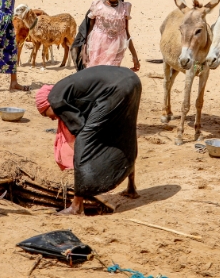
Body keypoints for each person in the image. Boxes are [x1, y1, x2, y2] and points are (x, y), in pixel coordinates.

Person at [35, 65, 142, 215]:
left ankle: (77, 206)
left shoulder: (55, 99)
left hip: (116, 88)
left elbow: (80, 133)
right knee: (124, 130)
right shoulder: (67, 92)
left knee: (84, 140)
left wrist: (81, 158)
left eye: (46, 114)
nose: (52, 118)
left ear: (47, 105)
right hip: (131, 79)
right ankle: (131, 188)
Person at [80, 0, 139, 71]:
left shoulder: (124, 8)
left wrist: (134, 56)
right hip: (97, 46)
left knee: (110, 73)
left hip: (116, 48)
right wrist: (84, 52)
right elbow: (89, 31)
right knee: (95, 73)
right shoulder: (98, 5)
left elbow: (126, 33)